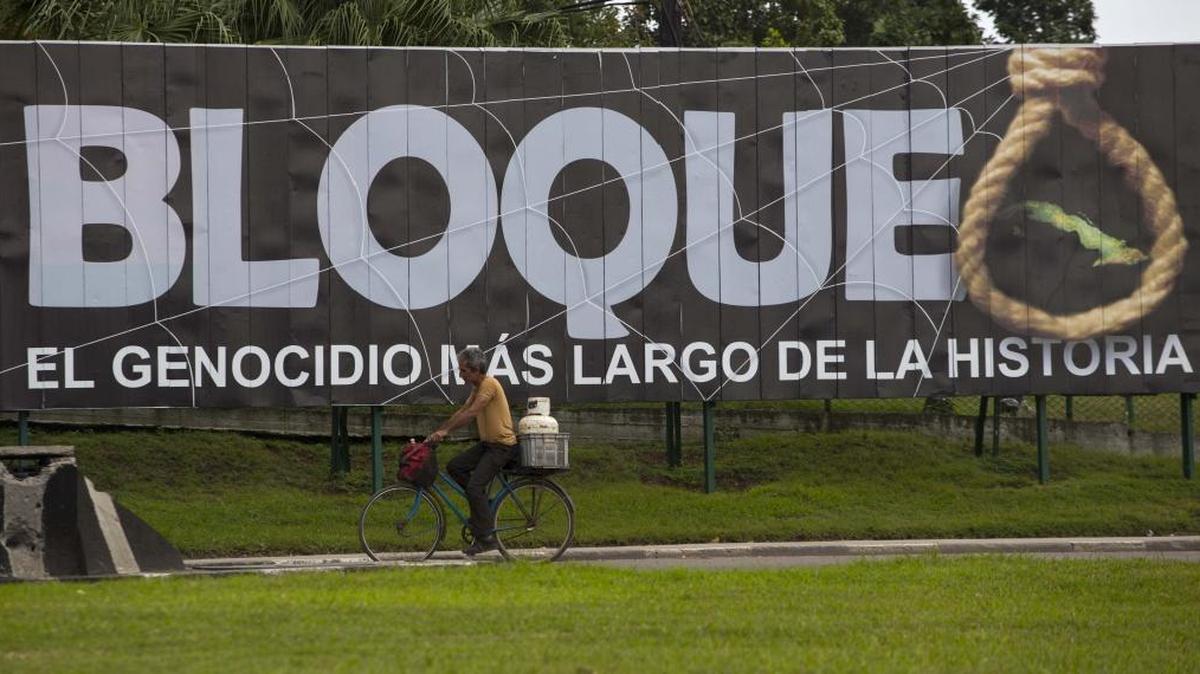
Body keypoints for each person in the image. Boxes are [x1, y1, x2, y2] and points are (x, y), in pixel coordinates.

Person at [427, 346, 520, 556]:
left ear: (476, 369)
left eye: (464, 371)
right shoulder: (477, 388)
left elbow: (471, 413)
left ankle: (486, 537)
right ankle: (483, 509)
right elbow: (462, 411)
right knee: (455, 467)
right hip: (488, 445)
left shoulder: (489, 385)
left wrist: (446, 431)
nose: (461, 375)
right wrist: (441, 430)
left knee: (474, 488)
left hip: (502, 447)